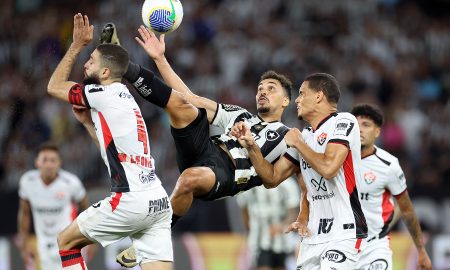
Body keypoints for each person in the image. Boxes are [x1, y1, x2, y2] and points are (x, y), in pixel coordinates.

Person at [104, 25, 294, 267]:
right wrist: (160, 59)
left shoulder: (288, 136)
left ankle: (153, 237)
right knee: (181, 104)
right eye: (260, 89)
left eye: (271, 89)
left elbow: (279, 177)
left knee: (188, 180)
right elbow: (190, 98)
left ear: (286, 100)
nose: (262, 92)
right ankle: (125, 67)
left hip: (228, 173)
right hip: (206, 149)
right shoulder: (240, 114)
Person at [46, 14, 173, 270]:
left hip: (130, 200)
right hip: (158, 202)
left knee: (66, 241)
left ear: (105, 72)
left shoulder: (100, 93)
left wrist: (76, 45)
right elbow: (112, 152)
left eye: (90, 62)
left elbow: (54, 86)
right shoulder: (125, 95)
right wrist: (87, 124)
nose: (85, 66)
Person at [231, 73, 368, 269]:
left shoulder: (343, 121)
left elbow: (329, 169)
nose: (297, 99)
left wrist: (298, 143)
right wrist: (252, 147)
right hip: (312, 236)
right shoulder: (305, 136)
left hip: (344, 232)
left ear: (319, 96)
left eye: (302, 94)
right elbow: (272, 178)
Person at [351, 104, 432, 270]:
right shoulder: (336, 159)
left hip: (374, 248)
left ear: (377, 132)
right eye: (355, 125)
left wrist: (421, 250)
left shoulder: (388, 165)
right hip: (341, 247)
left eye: (366, 125)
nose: (359, 130)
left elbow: (406, 208)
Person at [17, 142, 89, 270]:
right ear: (37, 162)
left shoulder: (71, 182)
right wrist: (24, 243)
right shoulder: (27, 181)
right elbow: (25, 213)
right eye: (45, 160)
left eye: (53, 160)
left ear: (59, 163)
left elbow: (86, 208)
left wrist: (89, 241)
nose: (49, 165)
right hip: (43, 244)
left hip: (69, 243)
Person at [236, 176, 300, 270]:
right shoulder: (248, 183)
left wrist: (282, 226)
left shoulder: (287, 183)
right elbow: (244, 210)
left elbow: (293, 213)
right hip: (259, 241)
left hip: (282, 241)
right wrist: (249, 232)